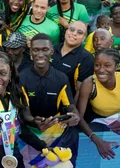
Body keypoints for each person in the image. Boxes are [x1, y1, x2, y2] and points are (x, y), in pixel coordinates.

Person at [20, 33, 80, 166]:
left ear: (52, 51)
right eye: (36, 50)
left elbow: (70, 106)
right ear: (30, 52)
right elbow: (25, 113)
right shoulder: (22, 78)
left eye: (45, 50)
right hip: (32, 132)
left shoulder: (61, 78)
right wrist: (35, 123)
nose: (40, 54)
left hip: (55, 131)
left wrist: (75, 116)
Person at [77, 48, 120, 160]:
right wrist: (97, 141)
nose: (101, 70)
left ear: (116, 67)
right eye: (97, 65)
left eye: (107, 65)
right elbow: (79, 117)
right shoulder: (89, 83)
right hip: (97, 121)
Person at [51, 21, 94, 102]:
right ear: (66, 31)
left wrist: (72, 110)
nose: (74, 33)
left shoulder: (86, 58)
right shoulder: (52, 49)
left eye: (80, 32)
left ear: (84, 38)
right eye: (71, 29)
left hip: (65, 104)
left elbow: (79, 91)